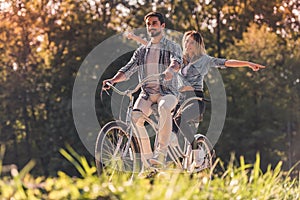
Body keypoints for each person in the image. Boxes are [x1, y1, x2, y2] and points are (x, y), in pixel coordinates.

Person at [124, 30, 266, 166]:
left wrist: (248, 64)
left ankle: (196, 148)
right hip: (179, 99)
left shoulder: (205, 60)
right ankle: (159, 161)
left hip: (195, 100)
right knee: (163, 125)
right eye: (186, 41)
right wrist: (136, 38)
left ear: (198, 45)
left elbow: (226, 62)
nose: (187, 44)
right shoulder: (180, 58)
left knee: (178, 119)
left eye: (191, 42)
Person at [102, 12, 182, 167]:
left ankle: (161, 153)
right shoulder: (142, 51)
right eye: (148, 24)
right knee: (134, 119)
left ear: (162, 26)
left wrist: (170, 71)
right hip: (147, 94)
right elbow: (127, 69)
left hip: (167, 92)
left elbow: (176, 62)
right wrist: (113, 80)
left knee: (164, 107)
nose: (151, 26)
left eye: (154, 23)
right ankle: (148, 160)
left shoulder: (172, 46)